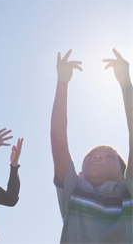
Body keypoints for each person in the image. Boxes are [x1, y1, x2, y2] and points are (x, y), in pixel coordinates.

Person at [51, 49, 132, 243]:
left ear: (124, 176)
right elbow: (58, 138)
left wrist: (125, 82)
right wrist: (62, 82)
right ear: (78, 174)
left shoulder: (127, 191)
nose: (97, 157)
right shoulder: (74, 190)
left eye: (109, 156)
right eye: (90, 156)